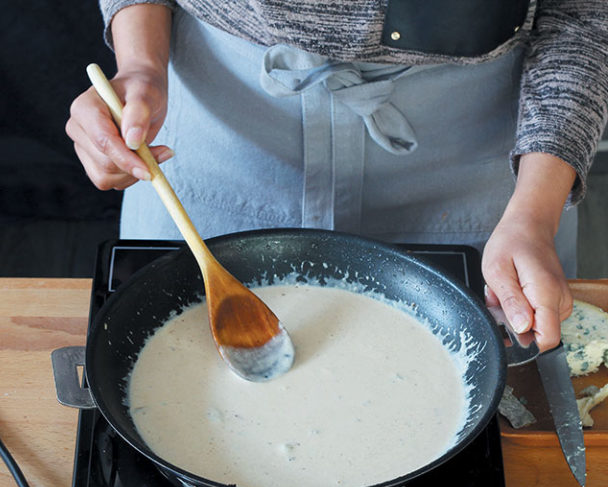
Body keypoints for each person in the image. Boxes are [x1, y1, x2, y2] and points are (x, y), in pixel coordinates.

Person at [66, 1, 608, 352]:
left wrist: (535, 210)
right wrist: (139, 63)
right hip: (219, 118)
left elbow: (583, 11)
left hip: (476, 143)